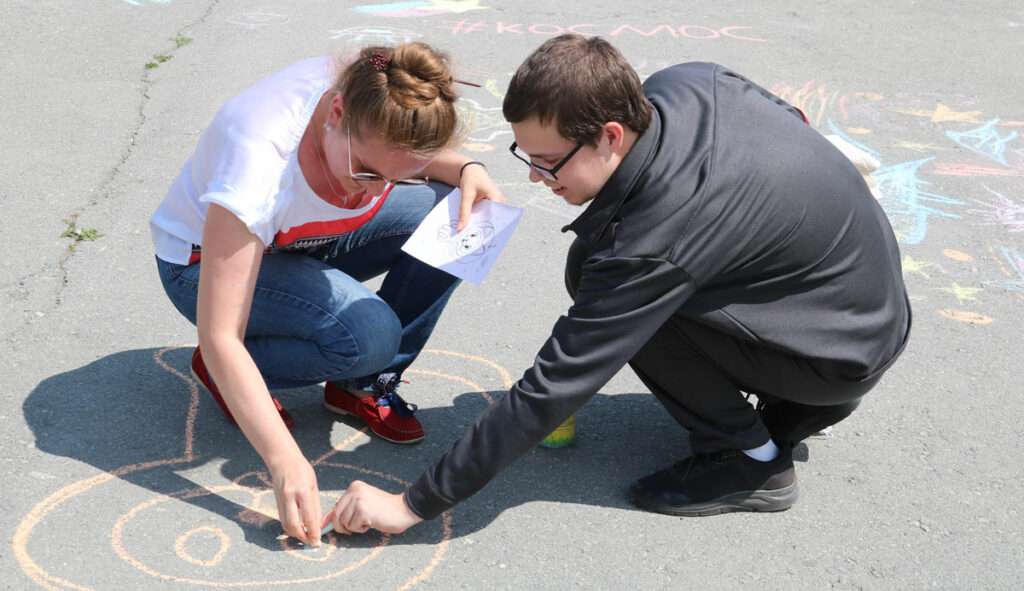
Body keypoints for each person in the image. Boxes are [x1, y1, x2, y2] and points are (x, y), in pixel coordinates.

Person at [325, 34, 910, 535]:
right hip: (854, 318)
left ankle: (751, 461)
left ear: (609, 133)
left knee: (613, 288)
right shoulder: (689, 82)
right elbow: (793, 121)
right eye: (525, 155)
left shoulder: (656, 239)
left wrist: (412, 503)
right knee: (595, 263)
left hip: (833, 361)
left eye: (549, 160)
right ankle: (781, 413)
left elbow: (557, 381)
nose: (534, 176)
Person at [151, 42, 503, 547]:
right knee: (368, 333)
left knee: (463, 215)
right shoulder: (258, 160)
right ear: (335, 112)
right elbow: (221, 332)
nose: (372, 191)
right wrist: (286, 460)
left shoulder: (378, 90)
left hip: (299, 240)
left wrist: (469, 170)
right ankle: (236, 371)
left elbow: (413, 159)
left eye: (393, 179)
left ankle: (360, 383)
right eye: (367, 173)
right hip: (201, 266)